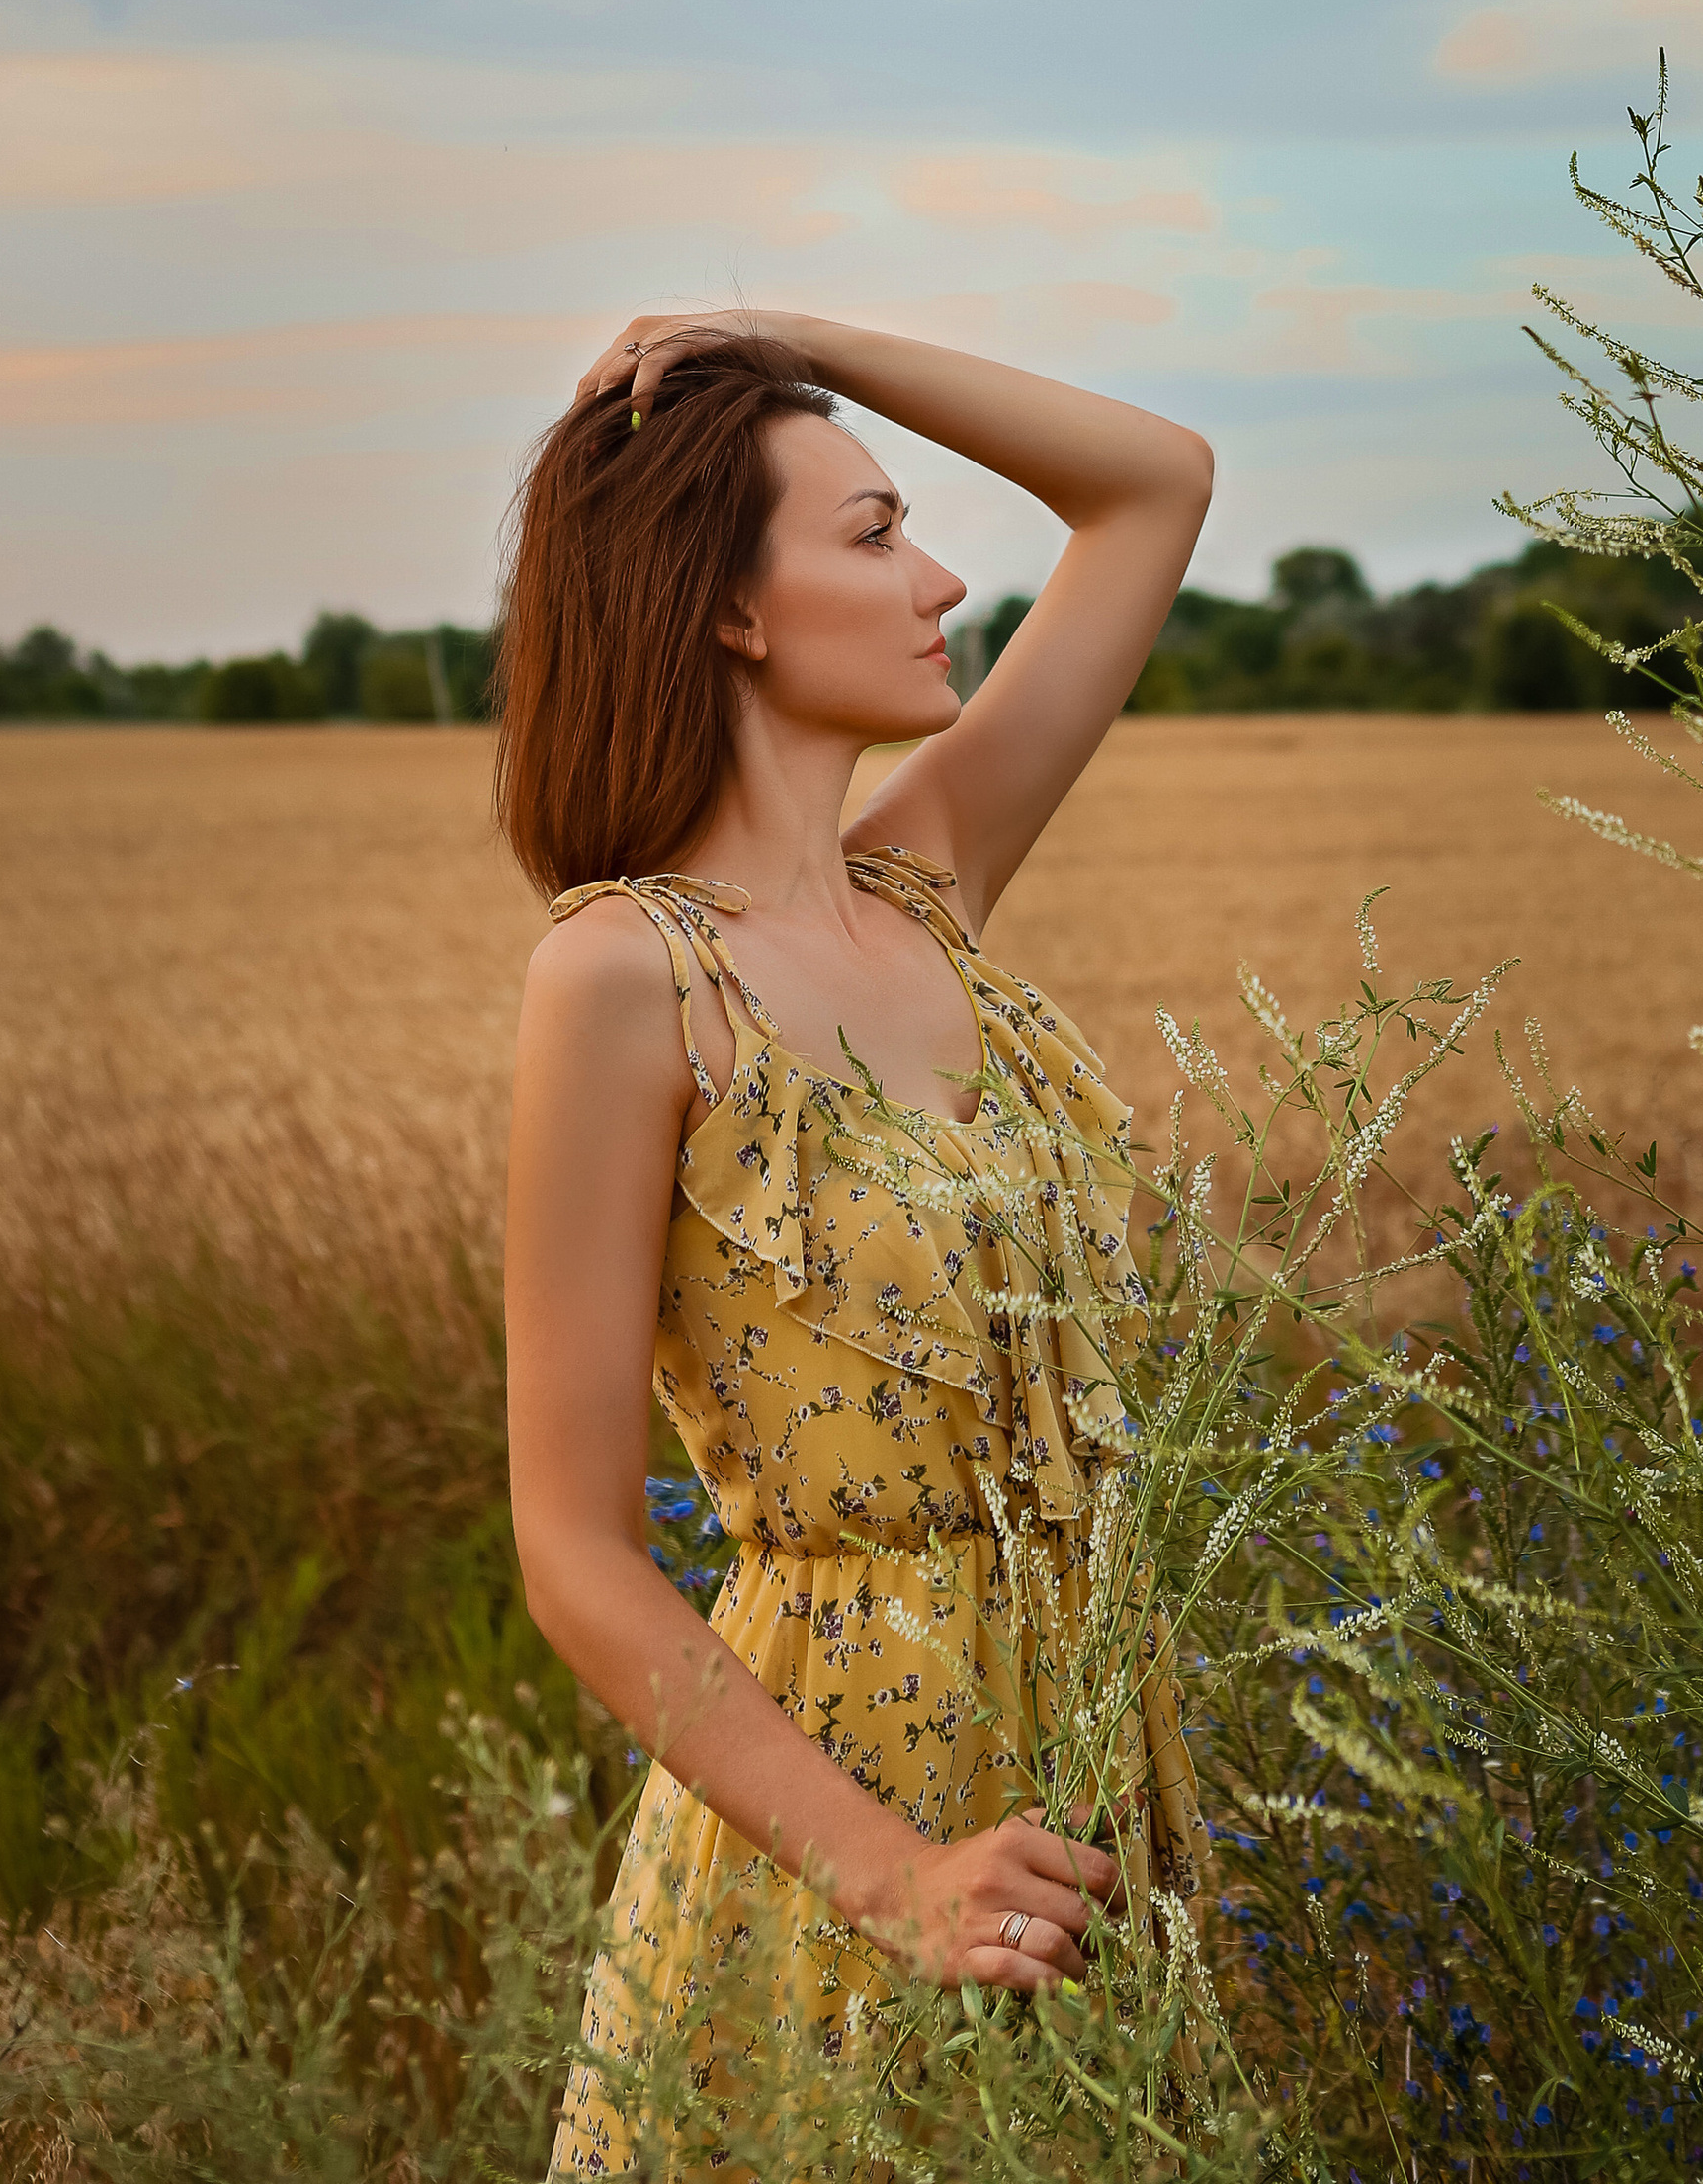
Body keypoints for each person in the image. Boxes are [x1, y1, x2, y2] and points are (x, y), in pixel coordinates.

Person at [500, 311, 1215, 2174]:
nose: (947, 576)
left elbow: (1154, 485)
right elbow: (574, 1548)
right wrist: (892, 1877)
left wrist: (785, 339)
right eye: (877, 532)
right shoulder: (623, 981)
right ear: (727, 607)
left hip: (1089, 1756)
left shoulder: (935, 885)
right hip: (845, 1807)